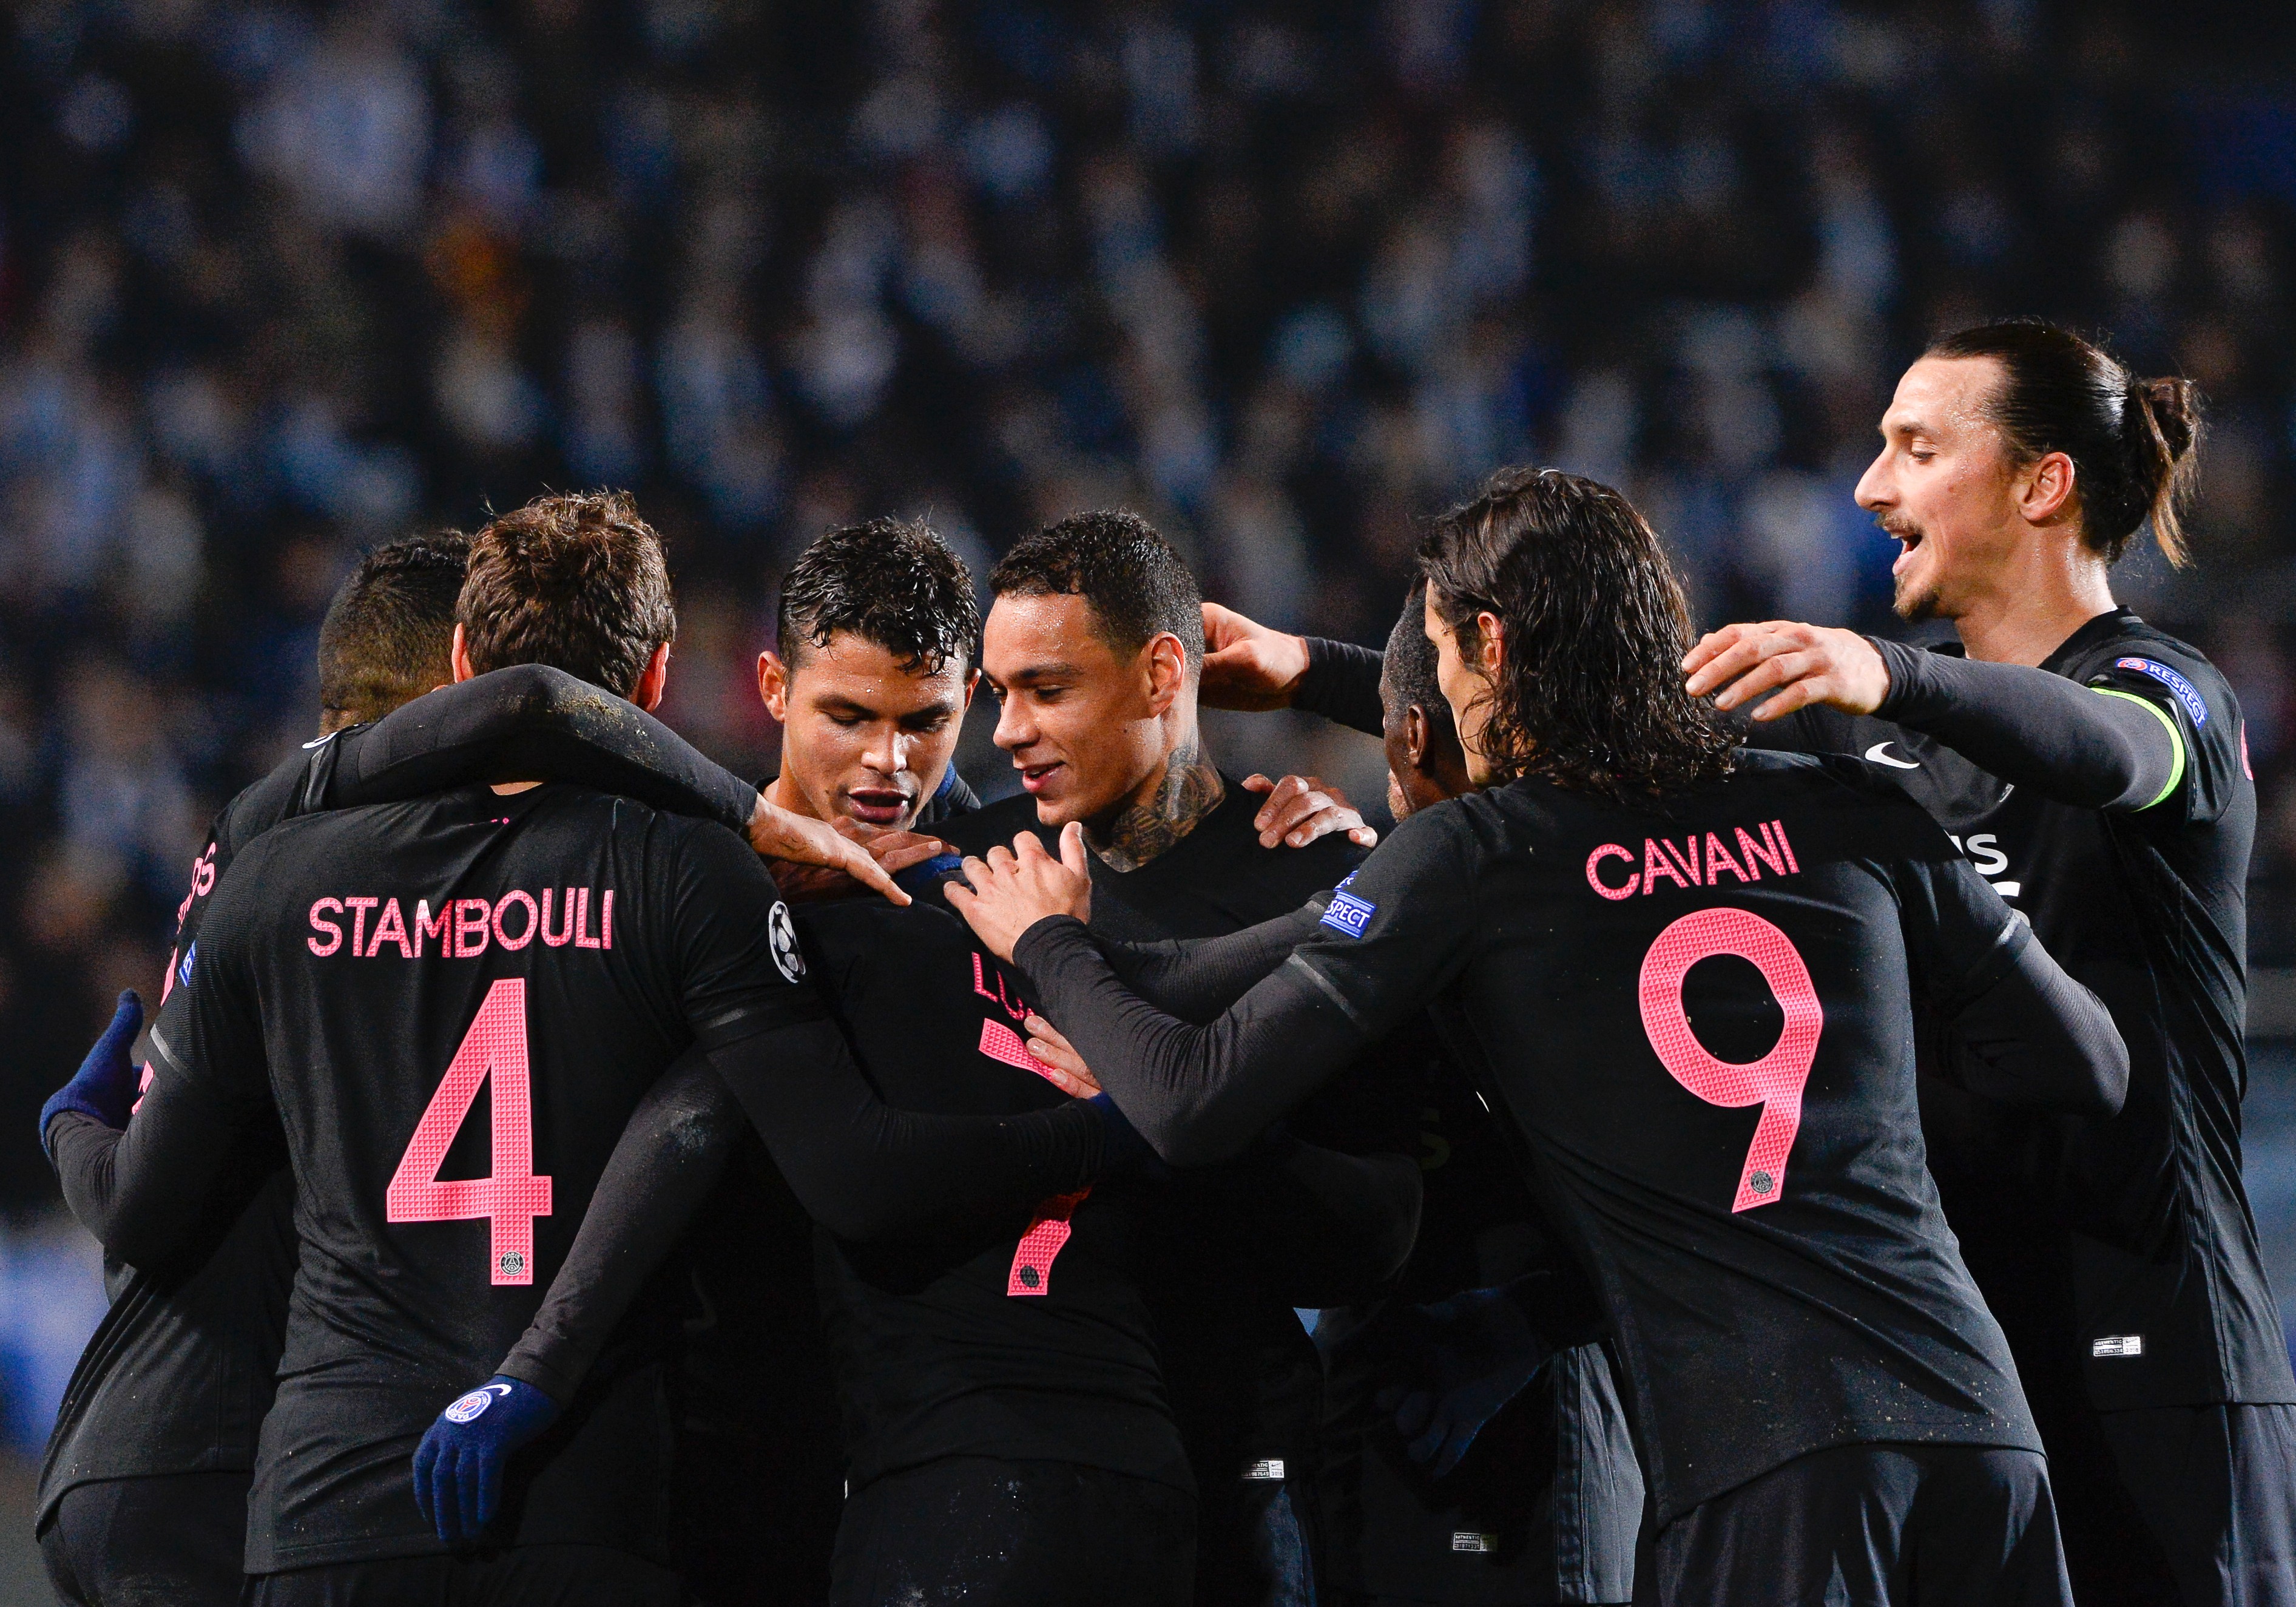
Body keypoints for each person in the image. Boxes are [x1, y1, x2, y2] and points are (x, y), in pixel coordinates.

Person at [949, 468, 2133, 1606]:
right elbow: (2083, 1064)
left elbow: (1195, 1100)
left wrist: (1050, 946)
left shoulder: (1481, 857)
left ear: (1490, 645)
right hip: (1980, 1432)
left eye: (1442, 650)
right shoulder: (1844, 805)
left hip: (1763, 1464)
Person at [40, 492, 1122, 1605]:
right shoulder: (691, 873)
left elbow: (148, 1205)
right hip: (637, 1468)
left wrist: (70, 1127)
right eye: (848, 716)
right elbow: (729, 1135)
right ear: (709, 686)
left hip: (364, 1487)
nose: (890, 763)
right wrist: (1112, 1118)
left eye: (927, 723)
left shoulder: (277, 867)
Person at [397, 512, 1416, 1606]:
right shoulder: (890, 879)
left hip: (1213, 1465)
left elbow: (1375, 1220)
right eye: (1005, 691)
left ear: (1163, 676)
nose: (1003, 735)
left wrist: (1185, 1106)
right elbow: (709, 1111)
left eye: (1038, 693)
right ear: (777, 689)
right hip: (841, 1444)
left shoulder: (1208, 876)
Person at [1679, 320, 2296, 1607]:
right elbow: (1617, 776)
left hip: (2152, 1352)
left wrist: (1891, 677)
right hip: (1961, 1374)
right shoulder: (1888, 734)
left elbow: (2107, 752)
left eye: (1912, 447)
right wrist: (1330, 675)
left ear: (2038, 483)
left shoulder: (2161, 688)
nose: (1867, 486)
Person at [34, 530, 473, 1607]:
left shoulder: (266, 840)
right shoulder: (331, 844)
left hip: (157, 1444)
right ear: (467, 675)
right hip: (213, 1462)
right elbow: (138, 1201)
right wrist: (73, 1135)